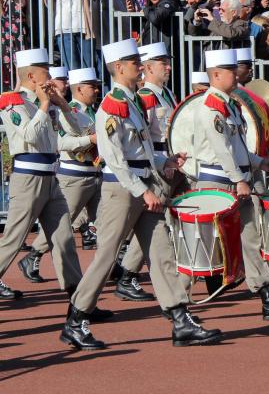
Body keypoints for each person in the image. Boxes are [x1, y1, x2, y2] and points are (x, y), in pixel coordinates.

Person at [61, 39, 221, 350]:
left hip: (142, 182)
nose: (140, 66)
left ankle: (179, 316)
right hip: (123, 189)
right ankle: (76, 319)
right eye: (134, 62)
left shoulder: (132, 101)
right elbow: (115, 158)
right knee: (106, 256)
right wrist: (143, 190)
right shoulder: (112, 105)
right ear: (119, 68)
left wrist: (165, 162)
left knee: (161, 252)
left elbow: (143, 151)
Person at [193, 48, 269, 320]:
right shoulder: (211, 106)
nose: (236, 75)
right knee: (204, 245)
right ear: (216, 74)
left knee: (250, 238)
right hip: (218, 182)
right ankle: (177, 300)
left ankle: (267, 296)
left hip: (234, 180)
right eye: (232, 71)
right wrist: (239, 179)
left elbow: (239, 145)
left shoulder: (229, 104)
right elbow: (221, 149)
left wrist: (258, 162)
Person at [0, 48, 84, 302]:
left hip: (51, 177)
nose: (50, 79)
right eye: (46, 73)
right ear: (32, 77)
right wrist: (45, 104)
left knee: (64, 238)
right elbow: (30, 136)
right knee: (14, 238)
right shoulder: (12, 101)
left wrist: (62, 105)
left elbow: (80, 130)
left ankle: (79, 298)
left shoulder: (46, 102)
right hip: (28, 178)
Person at [114, 42, 185, 302]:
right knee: (152, 221)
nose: (168, 67)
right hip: (157, 162)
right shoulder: (146, 96)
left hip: (170, 159)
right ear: (148, 67)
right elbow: (144, 136)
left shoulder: (164, 93)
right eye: (162, 63)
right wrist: (161, 163)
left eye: (167, 62)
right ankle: (128, 274)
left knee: (162, 220)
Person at [18, 66, 103, 283]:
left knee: (104, 223)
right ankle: (33, 255)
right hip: (73, 175)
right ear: (79, 88)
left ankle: (114, 266)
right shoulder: (66, 108)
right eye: (92, 86)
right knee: (61, 225)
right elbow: (61, 142)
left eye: (65, 80)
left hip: (93, 173)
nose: (61, 84)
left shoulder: (83, 111)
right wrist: (89, 141)